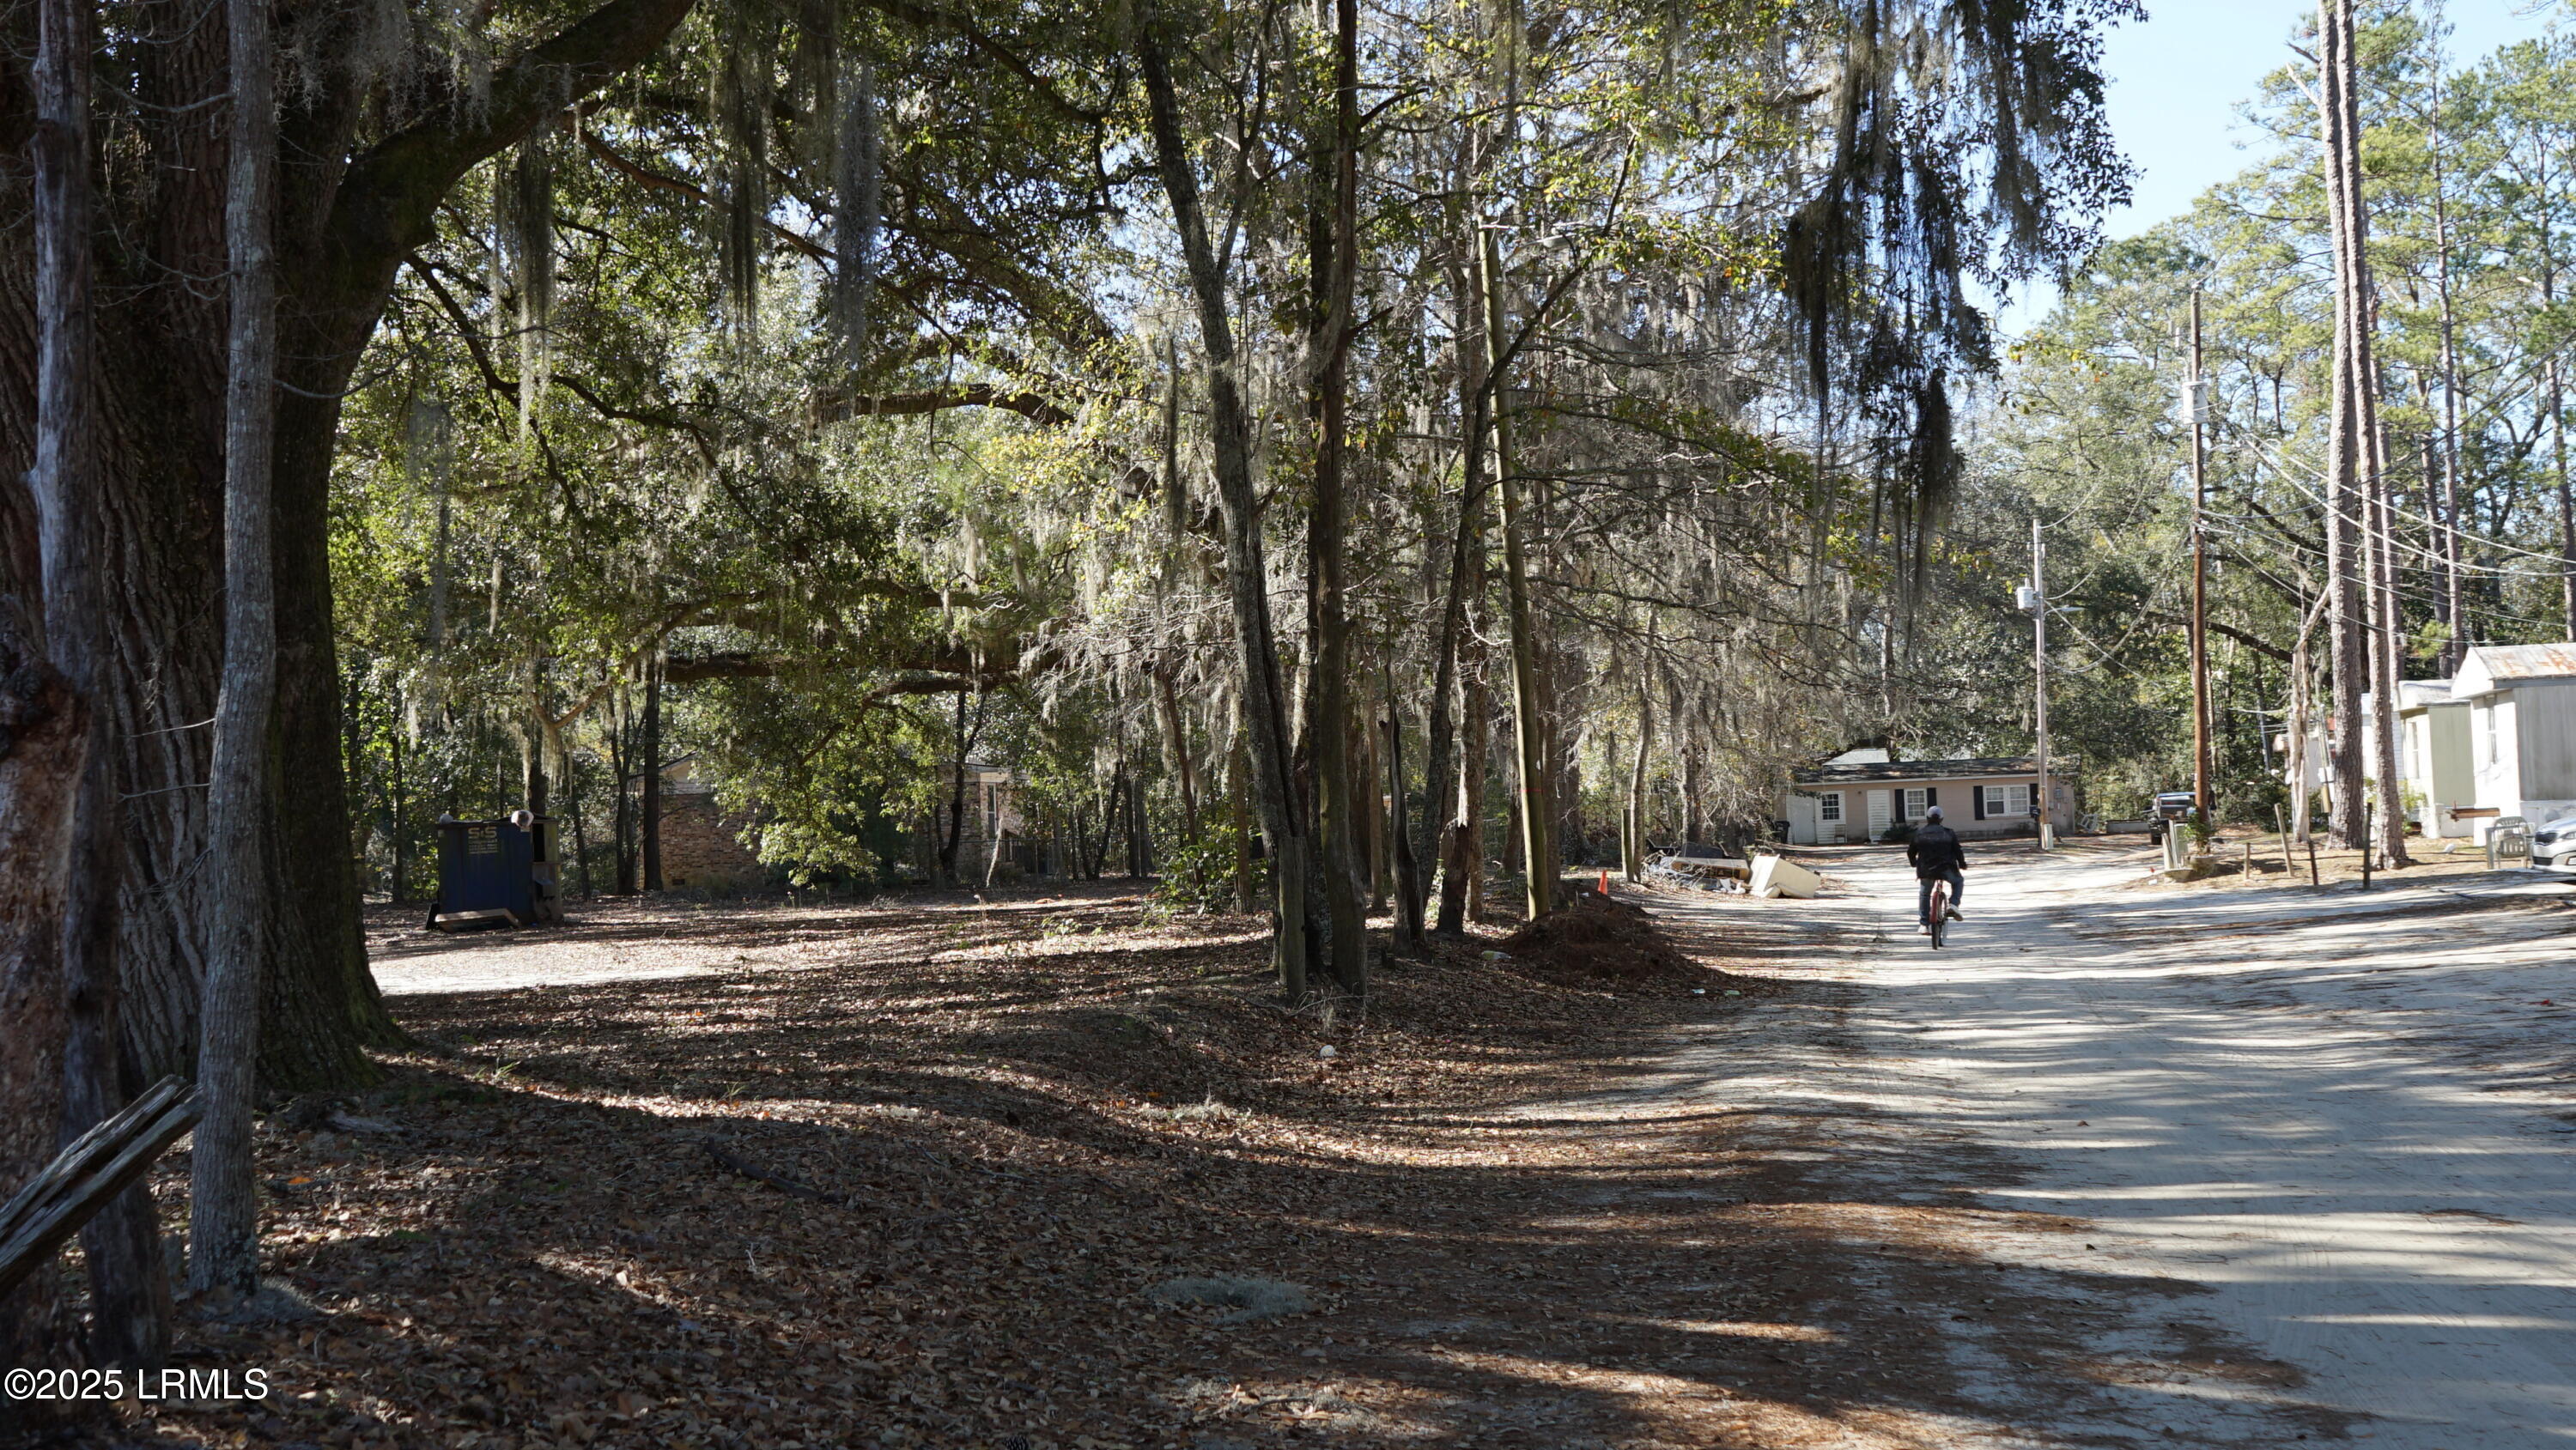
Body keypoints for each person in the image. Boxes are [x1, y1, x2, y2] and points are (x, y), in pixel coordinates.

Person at [1907, 805, 1966, 935]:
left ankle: (1924, 924)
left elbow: (1911, 852)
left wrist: (1914, 863)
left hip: (1926, 870)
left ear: (1927, 818)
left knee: (1925, 894)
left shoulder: (1919, 833)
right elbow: (1958, 851)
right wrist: (1962, 864)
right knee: (1958, 881)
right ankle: (1953, 905)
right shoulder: (1949, 833)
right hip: (1946, 868)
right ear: (1941, 819)